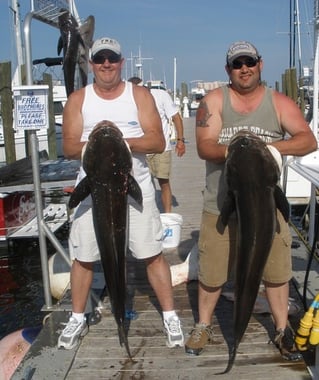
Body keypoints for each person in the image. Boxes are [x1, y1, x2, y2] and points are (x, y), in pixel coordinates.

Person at [185, 41, 317, 360]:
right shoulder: (213, 101)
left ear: (260, 64)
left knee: (277, 271)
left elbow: (308, 140)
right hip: (222, 204)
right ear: (228, 70)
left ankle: (282, 328)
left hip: (266, 205)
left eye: (250, 62)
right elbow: (204, 146)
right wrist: (237, 150)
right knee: (212, 272)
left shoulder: (280, 103)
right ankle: (203, 324)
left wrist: (271, 149)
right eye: (237, 64)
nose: (244, 68)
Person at [58, 37, 184, 350]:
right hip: (93, 188)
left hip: (134, 184)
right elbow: (70, 147)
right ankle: (76, 317)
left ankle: (170, 314)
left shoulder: (139, 95)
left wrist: (117, 141)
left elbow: (157, 140)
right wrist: (102, 142)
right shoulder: (78, 99)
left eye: (111, 59)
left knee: (152, 253)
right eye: (99, 59)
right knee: (83, 257)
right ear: (91, 64)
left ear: (121, 62)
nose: (105, 64)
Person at [128, 76, 186, 213]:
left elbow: (176, 118)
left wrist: (180, 140)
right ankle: (148, 212)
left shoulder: (161, 96)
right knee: (141, 184)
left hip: (161, 149)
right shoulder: (128, 101)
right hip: (139, 151)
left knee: (163, 182)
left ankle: (167, 214)